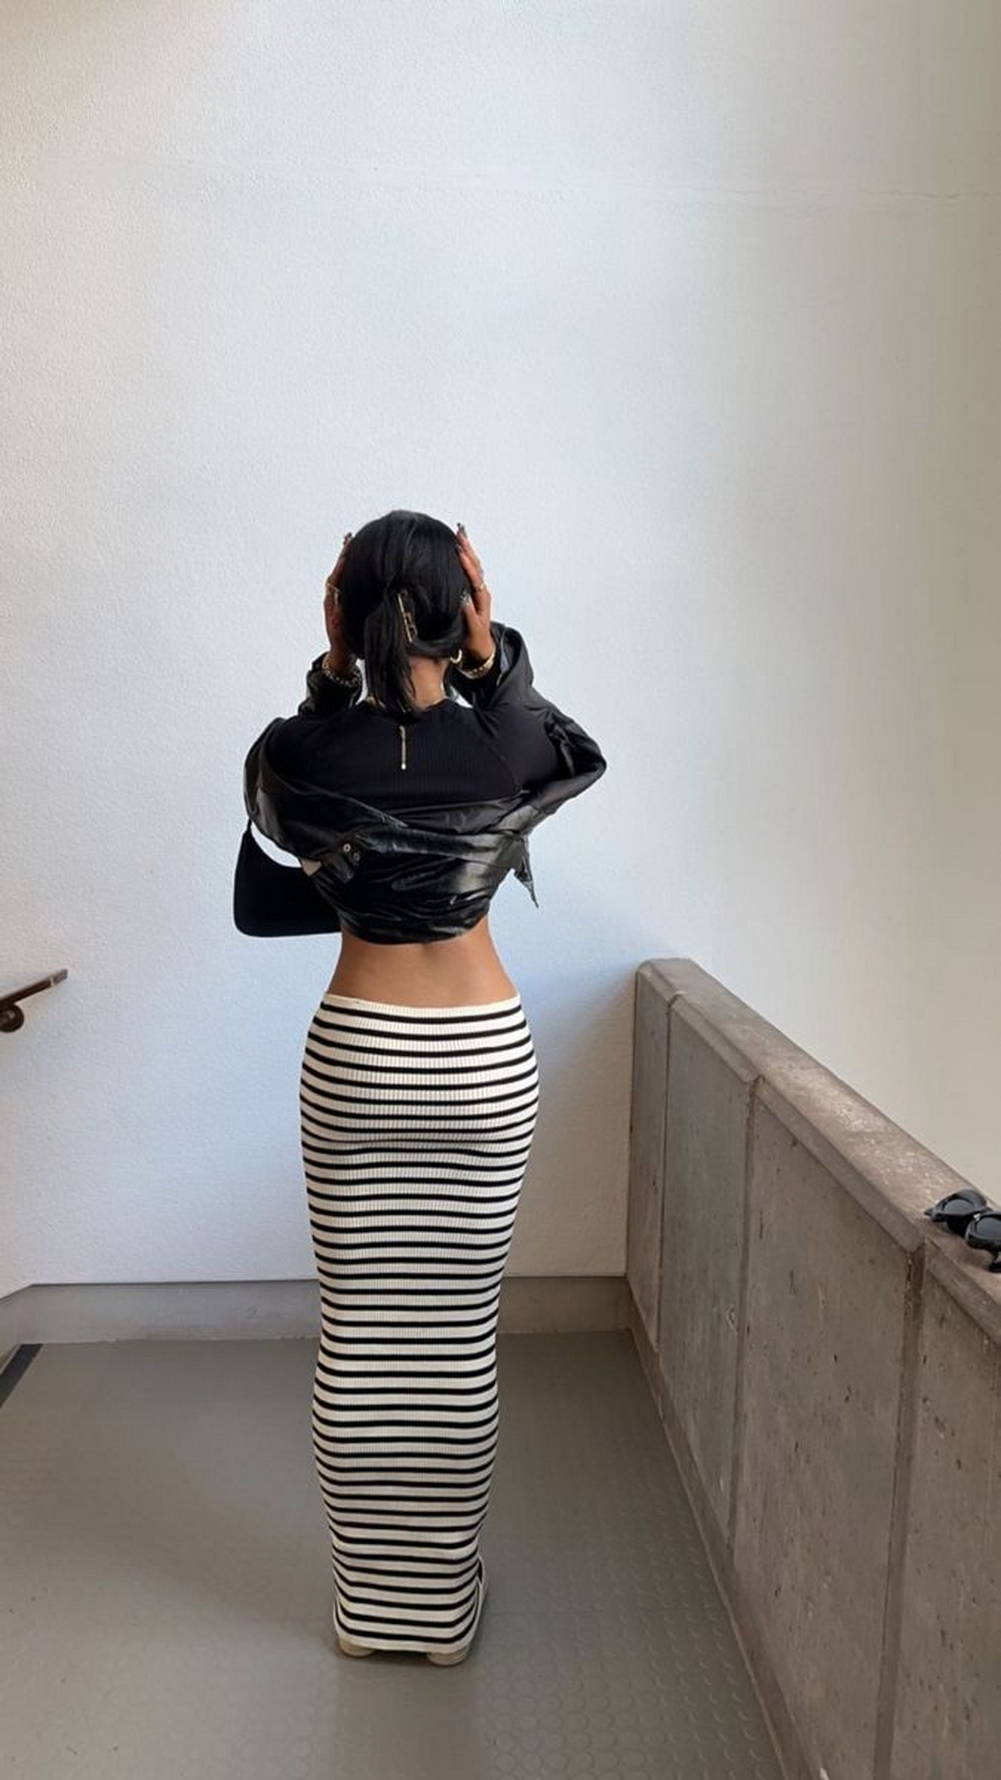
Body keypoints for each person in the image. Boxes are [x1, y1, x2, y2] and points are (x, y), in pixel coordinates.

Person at [242, 511, 605, 1666]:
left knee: (358, 1329)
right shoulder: (507, 751)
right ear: (465, 610)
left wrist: (329, 673)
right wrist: (492, 659)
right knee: (454, 1335)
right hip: (478, 1063)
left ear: (340, 614)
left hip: (357, 1056)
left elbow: (263, 848)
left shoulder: (296, 756)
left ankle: (369, 1607)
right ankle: (440, 1607)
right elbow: (574, 751)